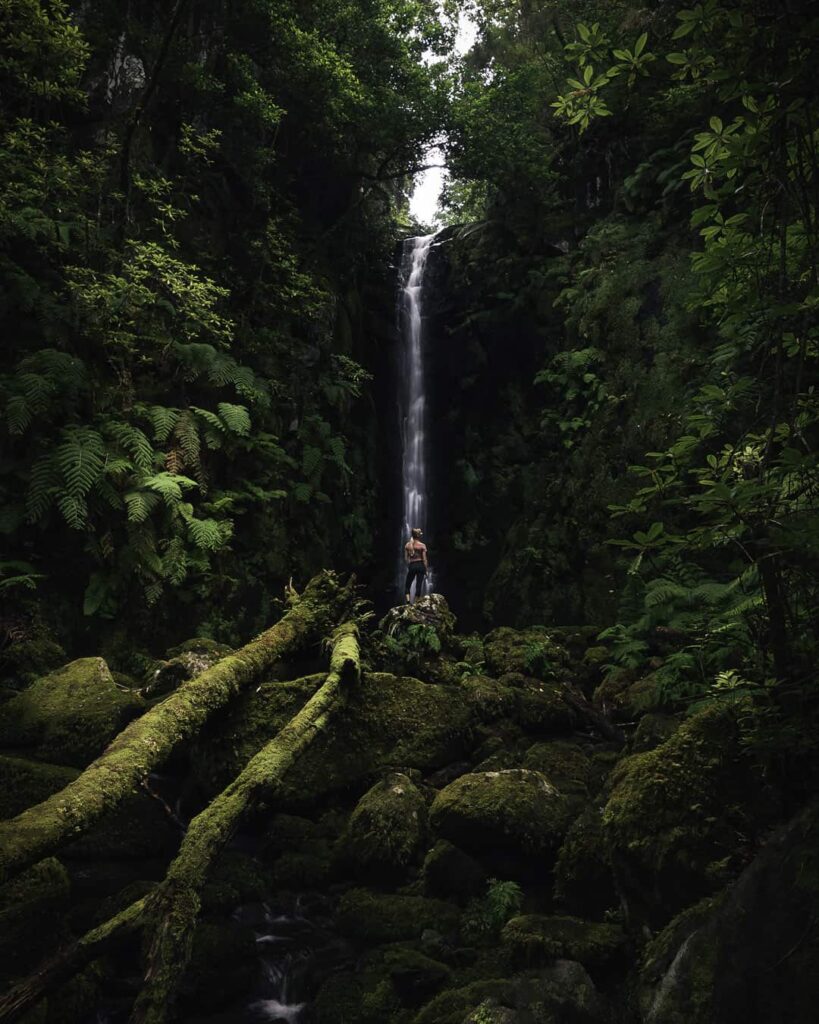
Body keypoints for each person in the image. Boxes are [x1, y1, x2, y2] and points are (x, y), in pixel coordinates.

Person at [404, 527, 428, 604]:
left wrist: (410, 565)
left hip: (412, 565)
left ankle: (408, 602)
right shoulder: (422, 545)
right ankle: (416, 602)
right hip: (421, 565)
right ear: (418, 536)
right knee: (419, 585)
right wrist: (426, 570)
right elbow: (424, 559)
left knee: (407, 585)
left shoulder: (407, 545)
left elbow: (406, 559)